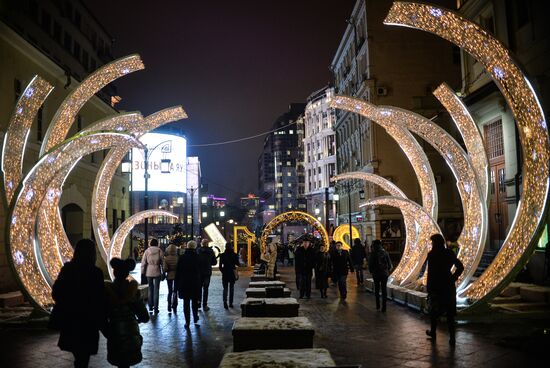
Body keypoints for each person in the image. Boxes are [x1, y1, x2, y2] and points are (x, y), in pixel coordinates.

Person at [51, 239, 106, 368]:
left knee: (78, 355)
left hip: (71, 320)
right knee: (83, 357)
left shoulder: (68, 269)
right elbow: (99, 300)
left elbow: (56, 293)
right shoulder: (96, 273)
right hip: (88, 322)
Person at [105, 258, 149, 368]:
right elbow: (144, 317)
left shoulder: (107, 292)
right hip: (131, 333)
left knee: (119, 361)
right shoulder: (132, 292)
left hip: (114, 333)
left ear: (114, 273)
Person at [425, 233, 464, 346]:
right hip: (448, 286)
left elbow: (430, 273)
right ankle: (452, 338)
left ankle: (433, 332)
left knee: (434, 311)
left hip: (437, 287)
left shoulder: (432, 255)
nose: (431, 244)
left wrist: (429, 288)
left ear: (435, 243)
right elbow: (460, 267)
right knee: (450, 314)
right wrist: (453, 277)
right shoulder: (449, 253)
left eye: (432, 242)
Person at [175, 240, 201, 328]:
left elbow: (178, 272)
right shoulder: (197, 257)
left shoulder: (182, 257)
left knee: (186, 303)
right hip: (195, 283)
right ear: (195, 247)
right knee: (194, 301)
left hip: (184, 283)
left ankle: (187, 321)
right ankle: (195, 317)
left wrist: (177, 285)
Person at [368, 240, 393, 312]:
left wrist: (371, 271)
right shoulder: (385, 253)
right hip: (384, 273)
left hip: (376, 273)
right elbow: (389, 264)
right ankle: (384, 307)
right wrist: (387, 271)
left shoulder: (372, 253)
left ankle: (378, 305)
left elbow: (370, 264)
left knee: (377, 289)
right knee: (384, 289)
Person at [140, 238, 164, 314]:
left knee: (150, 289)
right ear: (157, 243)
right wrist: (163, 271)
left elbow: (143, 263)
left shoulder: (147, 251)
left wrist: (142, 272)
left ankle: (150, 306)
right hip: (157, 271)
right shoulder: (159, 251)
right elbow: (163, 262)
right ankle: (156, 308)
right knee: (156, 290)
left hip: (149, 271)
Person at [196, 239, 216, 311]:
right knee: (206, 289)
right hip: (207, 272)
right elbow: (214, 262)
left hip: (199, 272)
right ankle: (205, 305)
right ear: (207, 244)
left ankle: (198, 303)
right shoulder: (211, 251)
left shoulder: (198, 251)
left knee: (199, 288)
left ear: (201, 243)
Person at [219, 243, 240, 308]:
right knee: (231, 288)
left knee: (225, 288)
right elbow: (238, 264)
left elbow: (220, 266)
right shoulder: (234, 254)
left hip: (225, 273)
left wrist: (223, 271)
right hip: (232, 273)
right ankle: (231, 303)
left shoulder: (222, 255)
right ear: (231, 247)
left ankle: (225, 302)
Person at [163, 244, 179, 313]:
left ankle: (169, 306)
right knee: (175, 291)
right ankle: (174, 305)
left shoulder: (166, 259)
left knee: (170, 291)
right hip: (177, 276)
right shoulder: (178, 258)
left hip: (169, 276)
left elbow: (165, 269)